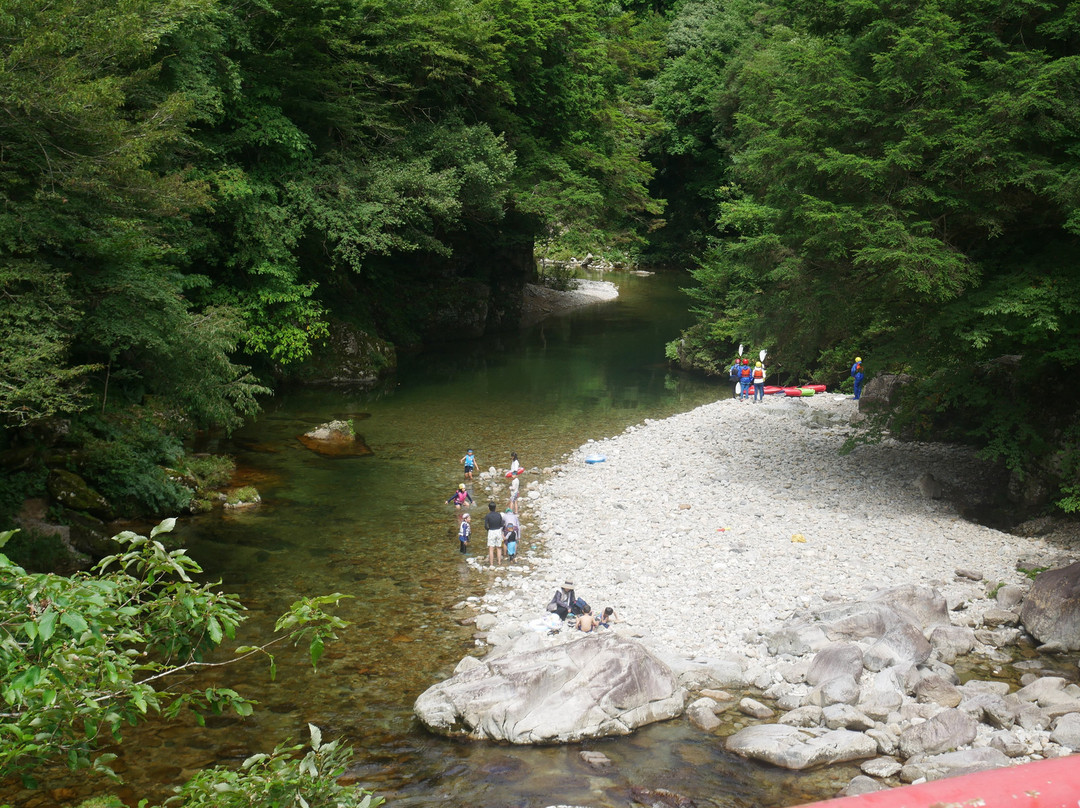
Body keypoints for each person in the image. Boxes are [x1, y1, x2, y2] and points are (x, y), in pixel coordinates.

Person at [483, 501, 504, 568]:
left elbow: (486, 526)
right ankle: (499, 562)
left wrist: (488, 529)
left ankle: (491, 564)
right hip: (498, 531)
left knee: (491, 548)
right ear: (495, 508)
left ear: (489, 508)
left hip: (491, 531)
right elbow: (501, 524)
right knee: (498, 547)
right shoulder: (499, 514)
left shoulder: (488, 516)